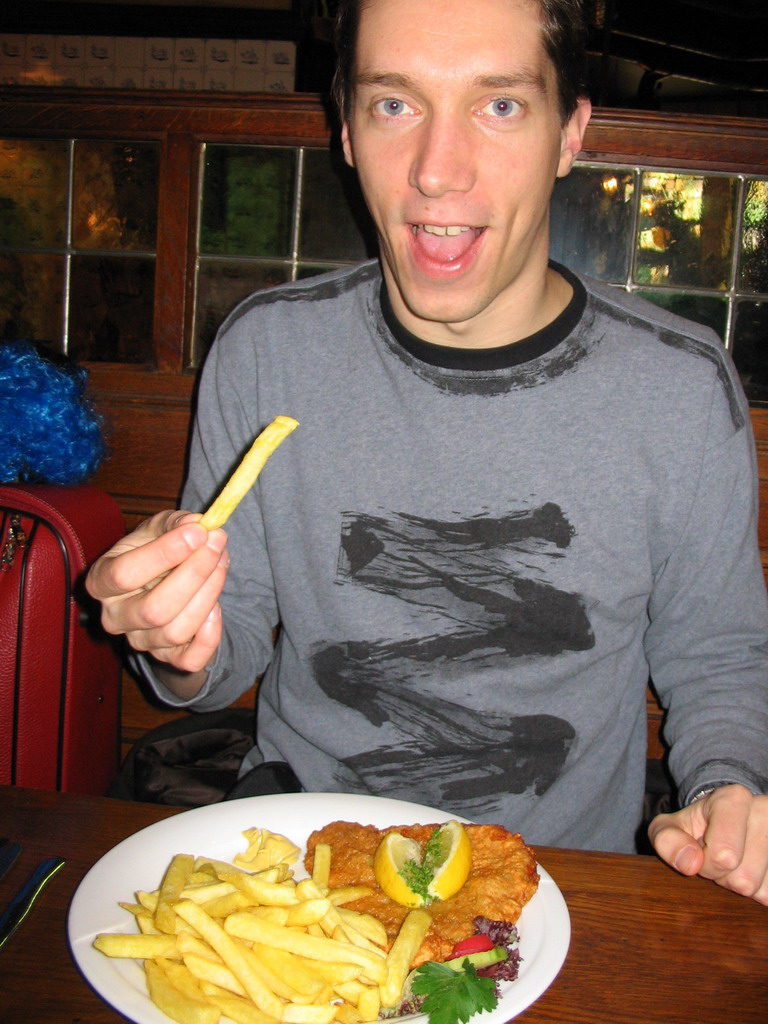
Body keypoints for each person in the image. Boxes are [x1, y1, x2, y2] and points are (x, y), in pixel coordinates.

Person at [87, 0, 768, 904]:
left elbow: (718, 654)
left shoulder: (680, 390)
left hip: (552, 891)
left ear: (571, 133)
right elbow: (216, 663)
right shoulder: (266, 350)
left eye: (499, 106)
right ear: (346, 132)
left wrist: (728, 789)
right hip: (299, 877)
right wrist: (172, 636)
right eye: (395, 105)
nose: (437, 174)